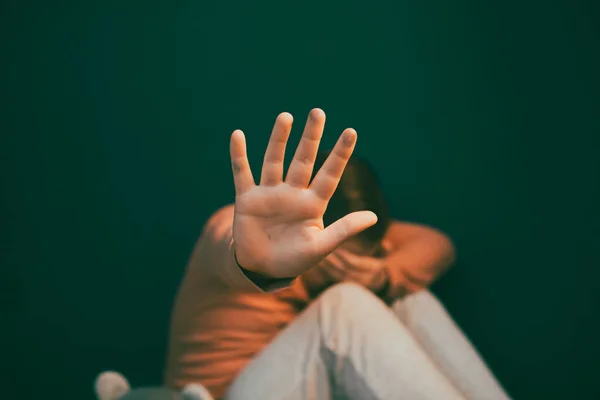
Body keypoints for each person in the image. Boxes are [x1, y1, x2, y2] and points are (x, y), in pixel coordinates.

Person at [164, 109, 511, 400]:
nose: (349, 270)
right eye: (339, 258)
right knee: (344, 304)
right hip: (223, 394)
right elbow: (234, 252)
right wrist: (258, 264)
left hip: (304, 383)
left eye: (364, 258)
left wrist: (382, 275)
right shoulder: (236, 228)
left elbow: (438, 245)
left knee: (411, 302)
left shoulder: (358, 233)